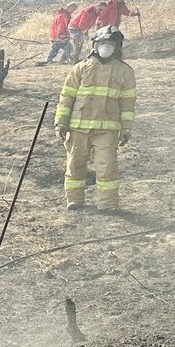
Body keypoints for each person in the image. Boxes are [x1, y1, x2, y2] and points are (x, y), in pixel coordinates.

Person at [55, 26, 136, 212]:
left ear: (118, 47)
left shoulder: (125, 72)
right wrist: (61, 121)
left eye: (111, 44)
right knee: (75, 165)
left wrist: (127, 128)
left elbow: (128, 103)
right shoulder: (80, 68)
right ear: (95, 45)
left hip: (107, 130)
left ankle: (108, 204)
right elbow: (66, 97)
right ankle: (74, 200)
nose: (106, 47)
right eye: (103, 43)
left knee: (107, 168)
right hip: (78, 129)